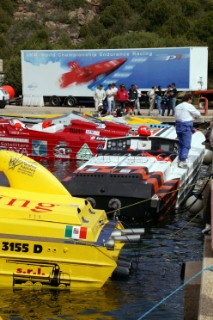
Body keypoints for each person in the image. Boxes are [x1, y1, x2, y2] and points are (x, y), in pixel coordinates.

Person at [175, 93, 201, 168]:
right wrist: (194, 118)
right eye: (191, 99)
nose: (191, 101)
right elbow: (198, 114)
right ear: (189, 99)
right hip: (186, 126)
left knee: (180, 143)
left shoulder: (177, 106)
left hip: (178, 125)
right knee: (186, 144)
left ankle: (180, 158)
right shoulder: (188, 106)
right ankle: (183, 161)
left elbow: (177, 116)